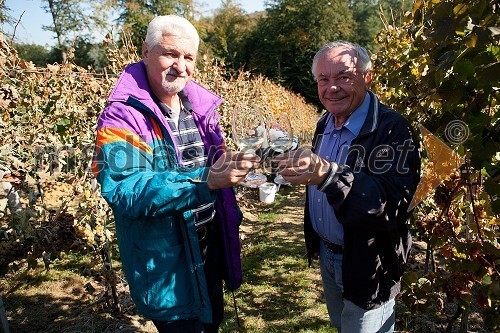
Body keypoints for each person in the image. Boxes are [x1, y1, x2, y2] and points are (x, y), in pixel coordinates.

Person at [91, 15, 259, 333]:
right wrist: (207, 179)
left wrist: (229, 169)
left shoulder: (200, 108)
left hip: (211, 251)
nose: (180, 65)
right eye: (170, 53)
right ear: (145, 52)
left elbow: (216, 165)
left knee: (211, 325)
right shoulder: (122, 116)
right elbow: (126, 190)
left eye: (188, 57)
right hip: (169, 264)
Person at [274, 41, 421, 332]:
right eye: (324, 79)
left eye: (344, 76)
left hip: (369, 264)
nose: (332, 87)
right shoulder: (324, 123)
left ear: (367, 77)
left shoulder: (392, 129)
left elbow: (389, 204)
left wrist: (328, 175)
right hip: (328, 255)